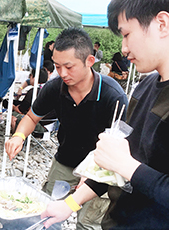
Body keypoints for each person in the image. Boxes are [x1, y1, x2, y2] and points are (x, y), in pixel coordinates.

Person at [41, 1, 169, 229]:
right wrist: (69, 204)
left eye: (127, 34)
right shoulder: (144, 87)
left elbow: (125, 166)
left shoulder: (114, 92)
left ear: (161, 24)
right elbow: (114, 166)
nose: (124, 48)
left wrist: (128, 166)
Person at [5, 27, 128, 230]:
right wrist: (19, 135)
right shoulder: (55, 88)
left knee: (88, 224)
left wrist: (93, 175)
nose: (62, 73)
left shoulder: (113, 96)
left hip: (100, 171)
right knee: (46, 213)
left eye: (69, 67)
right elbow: (31, 117)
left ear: (90, 61)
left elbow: (119, 148)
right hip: (65, 161)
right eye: (57, 66)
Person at [11, 68, 48, 133]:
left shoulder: (33, 92)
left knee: (13, 115)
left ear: (34, 78)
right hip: (49, 124)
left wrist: (13, 107)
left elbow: (20, 109)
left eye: (30, 76)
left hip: (36, 125)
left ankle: (15, 136)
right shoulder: (48, 90)